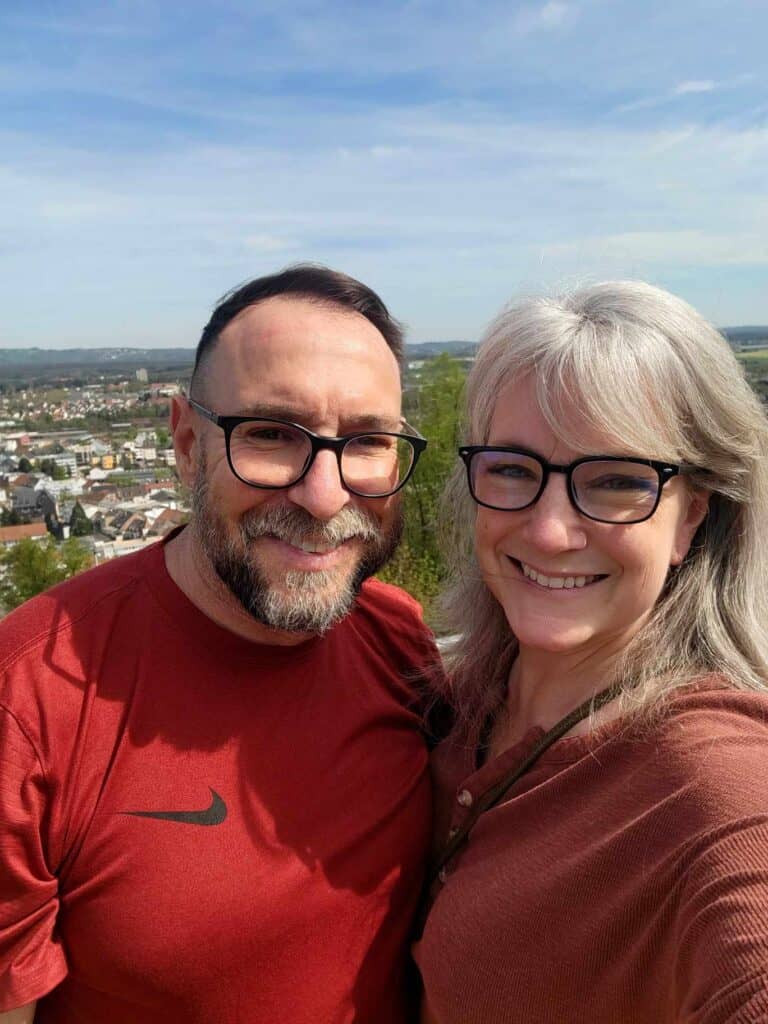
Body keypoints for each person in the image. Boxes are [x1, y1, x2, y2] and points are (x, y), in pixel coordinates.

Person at [0, 265, 438, 1024]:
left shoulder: (398, 639)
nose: (324, 494)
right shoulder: (33, 695)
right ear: (185, 443)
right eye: (271, 433)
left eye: (366, 440)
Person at [414, 281, 768, 1023]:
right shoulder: (444, 698)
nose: (549, 532)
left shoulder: (710, 781)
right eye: (512, 469)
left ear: (691, 518)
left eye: (614, 483)